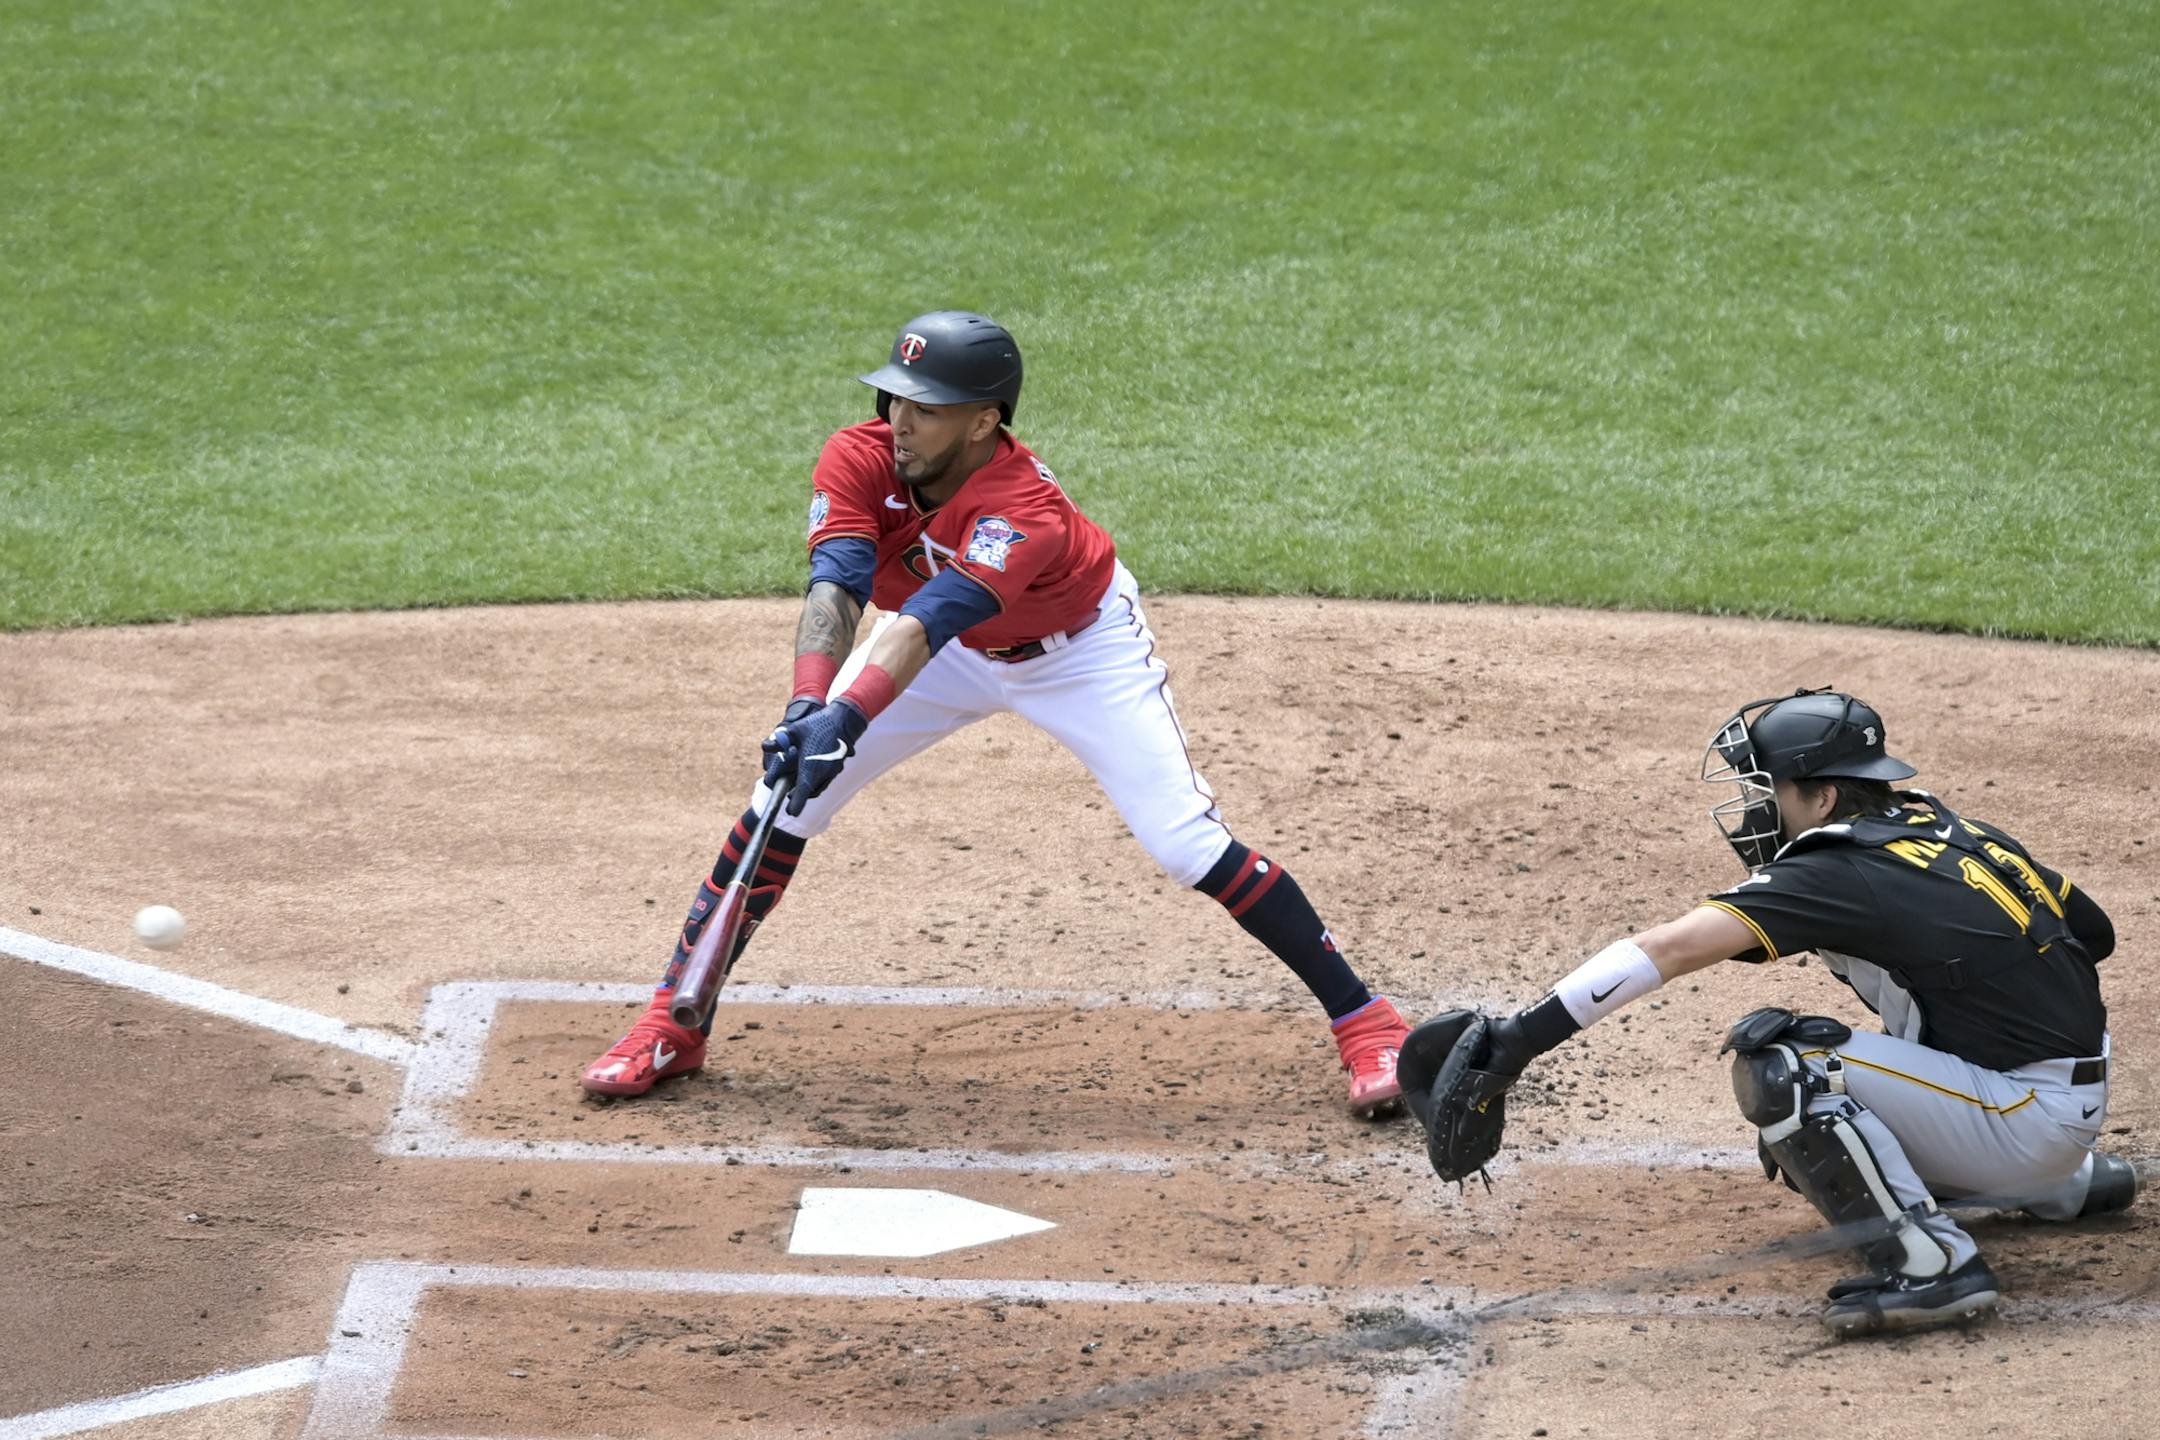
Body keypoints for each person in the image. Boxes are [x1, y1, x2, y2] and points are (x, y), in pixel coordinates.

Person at [582, 310, 1411, 1114]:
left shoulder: (1025, 507)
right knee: (781, 800)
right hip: (943, 653)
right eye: (896, 398)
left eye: (928, 408)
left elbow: (932, 615)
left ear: (984, 422)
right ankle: (672, 1024)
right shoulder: (859, 456)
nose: (901, 421)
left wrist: (853, 713)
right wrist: (809, 705)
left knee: (1185, 843)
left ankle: (1368, 1024)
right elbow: (836, 584)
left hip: (1077, 655)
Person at [1408, 688, 2134, 1335]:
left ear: (1820, 798)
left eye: (1771, 789)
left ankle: (1934, 1266)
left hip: (2027, 1120)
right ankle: (2058, 1185)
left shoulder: (1838, 869)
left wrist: (1518, 1041)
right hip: (2057, 1097)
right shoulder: (1955, 832)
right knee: (1860, 1097)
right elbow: (2091, 934)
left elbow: (1668, 949)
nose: (1759, 807)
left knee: (1793, 1072)